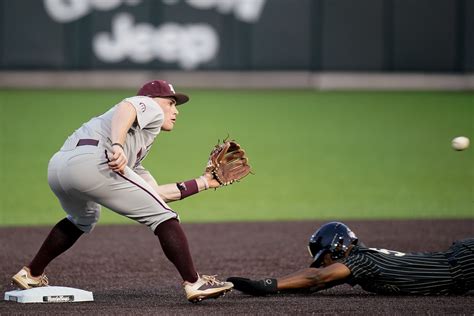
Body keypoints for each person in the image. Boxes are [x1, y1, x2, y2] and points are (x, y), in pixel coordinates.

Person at [11, 80, 234, 303]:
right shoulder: (149, 106)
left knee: (85, 217)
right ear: (153, 100)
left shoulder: (135, 148)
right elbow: (127, 107)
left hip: (59, 168)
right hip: (95, 161)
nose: (175, 111)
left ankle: (31, 274)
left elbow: (154, 194)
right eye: (171, 103)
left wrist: (204, 182)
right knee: (165, 217)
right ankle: (194, 283)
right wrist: (117, 145)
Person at [228, 221, 474, 296]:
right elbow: (319, 282)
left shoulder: (361, 260)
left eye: (324, 257)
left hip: (465, 263)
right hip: (460, 263)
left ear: (338, 248)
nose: (324, 263)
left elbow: (317, 277)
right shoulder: (364, 259)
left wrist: (265, 285)